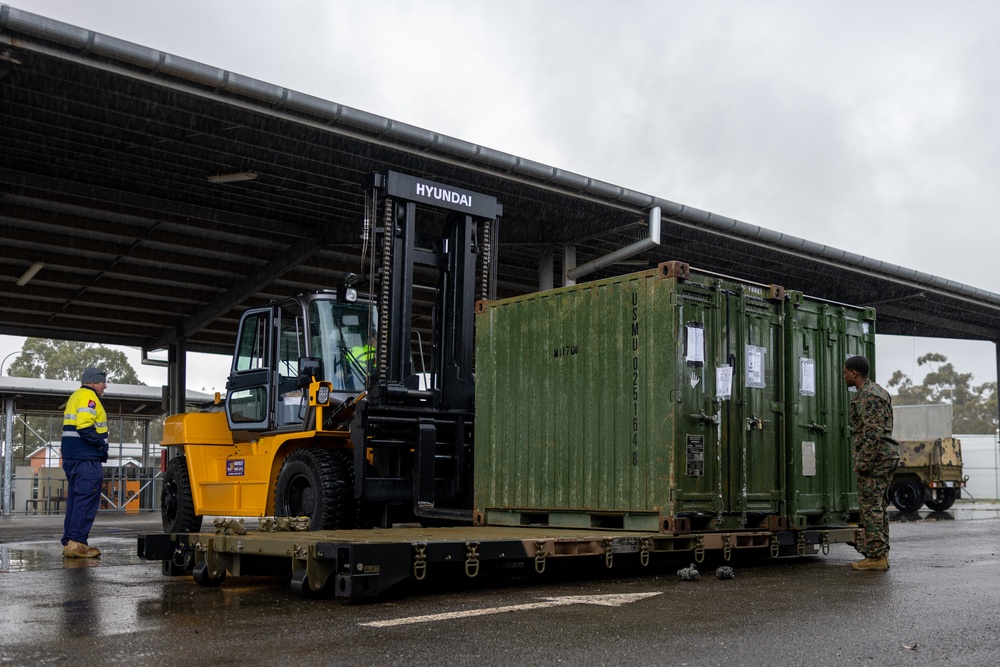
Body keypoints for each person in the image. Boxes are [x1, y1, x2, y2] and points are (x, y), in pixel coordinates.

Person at [844, 355, 900, 571]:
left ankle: (876, 557)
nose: (844, 376)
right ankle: (881, 554)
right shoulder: (879, 391)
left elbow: (872, 432)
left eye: (846, 372)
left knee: (871, 507)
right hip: (885, 455)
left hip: (877, 458)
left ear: (854, 374)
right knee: (879, 506)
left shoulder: (869, 395)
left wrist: (864, 462)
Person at [60, 367, 110, 558]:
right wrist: (100, 446)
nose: (105, 386)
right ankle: (77, 543)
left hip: (72, 458)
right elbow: (84, 425)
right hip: (86, 459)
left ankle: (70, 542)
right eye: (102, 382)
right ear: (94, 382)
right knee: (87, 499)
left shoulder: (75, 396)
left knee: (75, 499)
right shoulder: (90, 398)